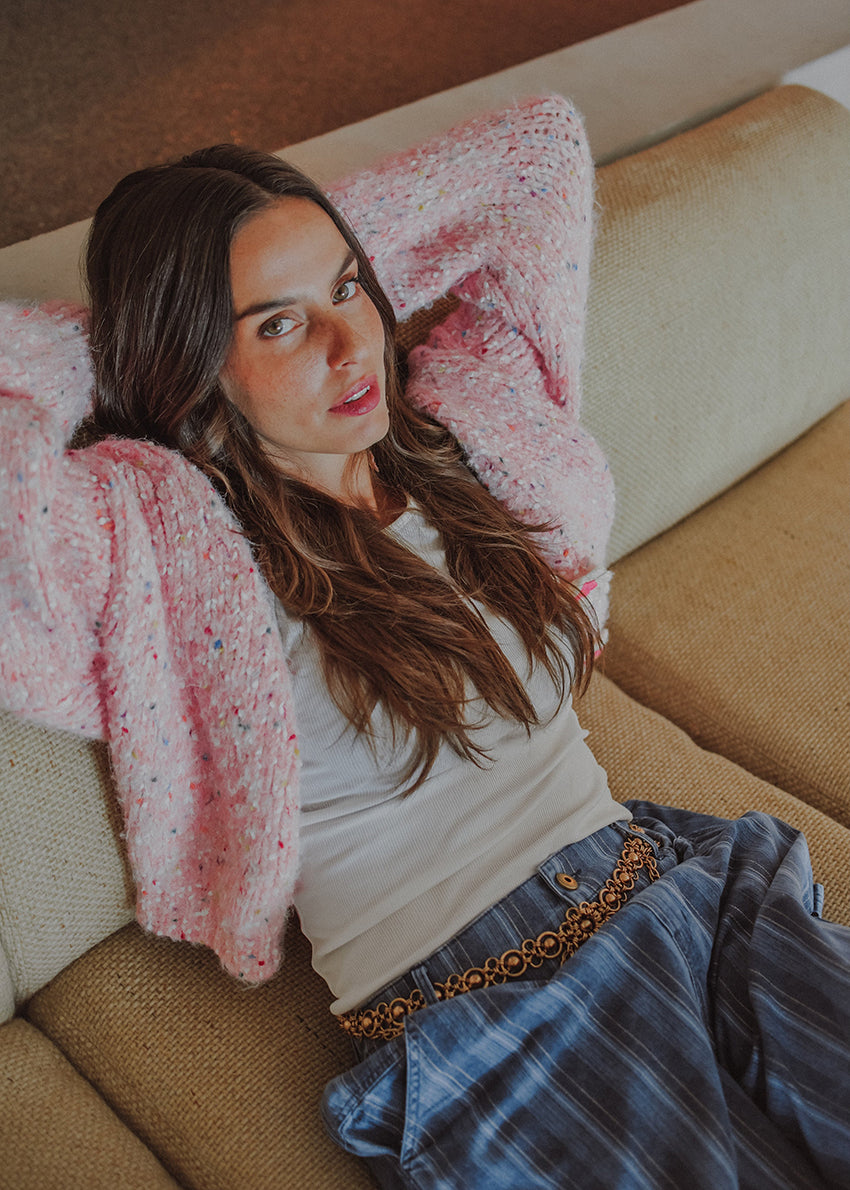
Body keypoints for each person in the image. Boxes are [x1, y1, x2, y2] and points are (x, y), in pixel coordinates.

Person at [0, 96, 847, 1189]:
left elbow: (539, 152)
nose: (356, 342)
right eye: (279, 324)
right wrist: (123, 346)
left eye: (349, 286)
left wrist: (298, 256)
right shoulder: (160, 554)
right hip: (503, 1025)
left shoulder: (466, 424)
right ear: (189, 363)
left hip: (681, 892)